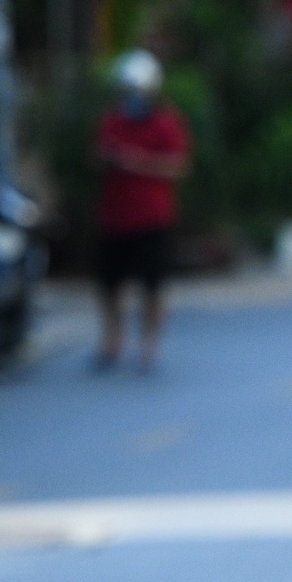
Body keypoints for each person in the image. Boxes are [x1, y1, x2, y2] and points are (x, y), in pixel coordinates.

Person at [95, 49, 191, 371]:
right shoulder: (113, 119)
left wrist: (136, 162)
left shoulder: (166, 123)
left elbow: (178, 166)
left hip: (152, 217)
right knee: (109, 285)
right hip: (115, 217)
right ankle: (113, 342)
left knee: (153, 286)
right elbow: (98, 153)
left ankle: (148, 346)